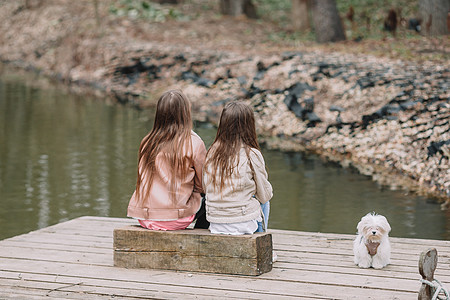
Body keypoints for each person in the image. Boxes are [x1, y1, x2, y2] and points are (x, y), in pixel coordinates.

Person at [127, 89, 208, 230]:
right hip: (176, 218)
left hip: (145, 217)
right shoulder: (193, 143)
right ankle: (200, 242)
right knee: (211, 199)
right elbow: (203, 185)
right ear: (185, 113)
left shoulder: (147, 141)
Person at [203, 101, 273, 235]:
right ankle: (262, 240)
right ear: (249, 125)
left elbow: (206, 188)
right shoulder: (251, 154)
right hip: (242, 223)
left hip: (215, 223)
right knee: (264, 199)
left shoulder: (211, 152)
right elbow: (264, 195)